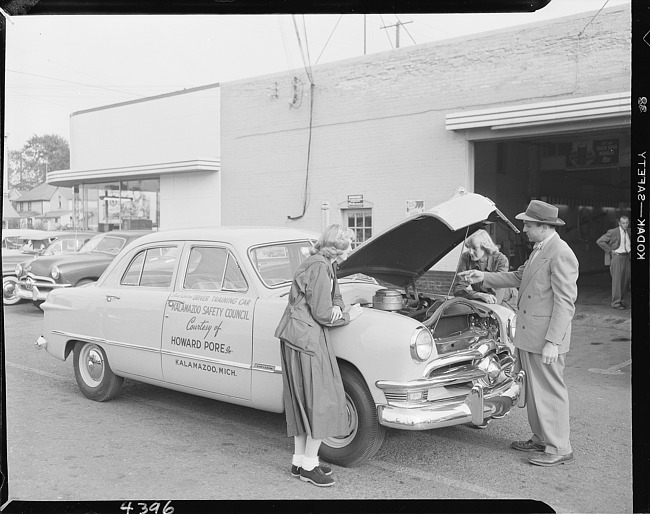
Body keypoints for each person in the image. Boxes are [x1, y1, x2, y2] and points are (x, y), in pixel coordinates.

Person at [459, 200, 578, 467]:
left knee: (550, 391)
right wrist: (482, 277)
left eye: (528, 224)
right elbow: (516, 277)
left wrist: (552, 342)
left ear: (544, 227)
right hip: (529, 335)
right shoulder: (540, 249)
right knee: (534, 391)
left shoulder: (560, 252)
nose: (523, 228)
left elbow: (565, 302)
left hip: (545, 339)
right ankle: (541, 437)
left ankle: (560, 447)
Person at [274, 224, 363, 487]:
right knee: (319, 400)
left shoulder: (323, 263)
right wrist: (348, 314)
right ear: (336, 247)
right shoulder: (320, 267)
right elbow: (324, 313)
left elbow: (334, 295)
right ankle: (309, 466)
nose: (350, 251)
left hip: (298, 336)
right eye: (348, 245)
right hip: (307, 340)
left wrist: (338, 305)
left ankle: (301, 462)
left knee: (302, 400)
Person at [453, 229, 518, 310]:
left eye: (474, 248)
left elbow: (497, 296)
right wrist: (477, 295)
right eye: (468, 248)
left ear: (485, 247)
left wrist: (478, 296)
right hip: (484, 301)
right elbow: (458, 289)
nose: (470, 252)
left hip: (508, 302)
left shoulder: (501, 260)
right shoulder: (466, 258)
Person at [596, 215, 631, 310]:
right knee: (617, 281)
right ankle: (615, 302)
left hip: (626, 257)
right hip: (617, 257)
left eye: (627, 223)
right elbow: (600, 241)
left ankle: (621, 300)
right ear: (619, 223)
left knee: (625, 280)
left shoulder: (629, 231)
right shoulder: (613, 232)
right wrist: (610, 250)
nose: (625, 225)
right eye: (623, 223)